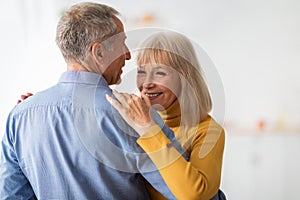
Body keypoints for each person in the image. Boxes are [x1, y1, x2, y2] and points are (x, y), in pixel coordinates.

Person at [0, 2, 176, 199]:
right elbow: (186, 190)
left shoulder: (19, 116)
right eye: (122, 44)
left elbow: (13, 195)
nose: (127, 55)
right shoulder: (135, 116)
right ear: (98, 52)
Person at [106, 31, 226, 199]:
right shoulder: (135, 122)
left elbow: (194, 195)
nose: (147, 84)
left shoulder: (208, 132)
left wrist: (148, 129)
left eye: (160, 73)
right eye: (141, 72)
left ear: (184, 78)